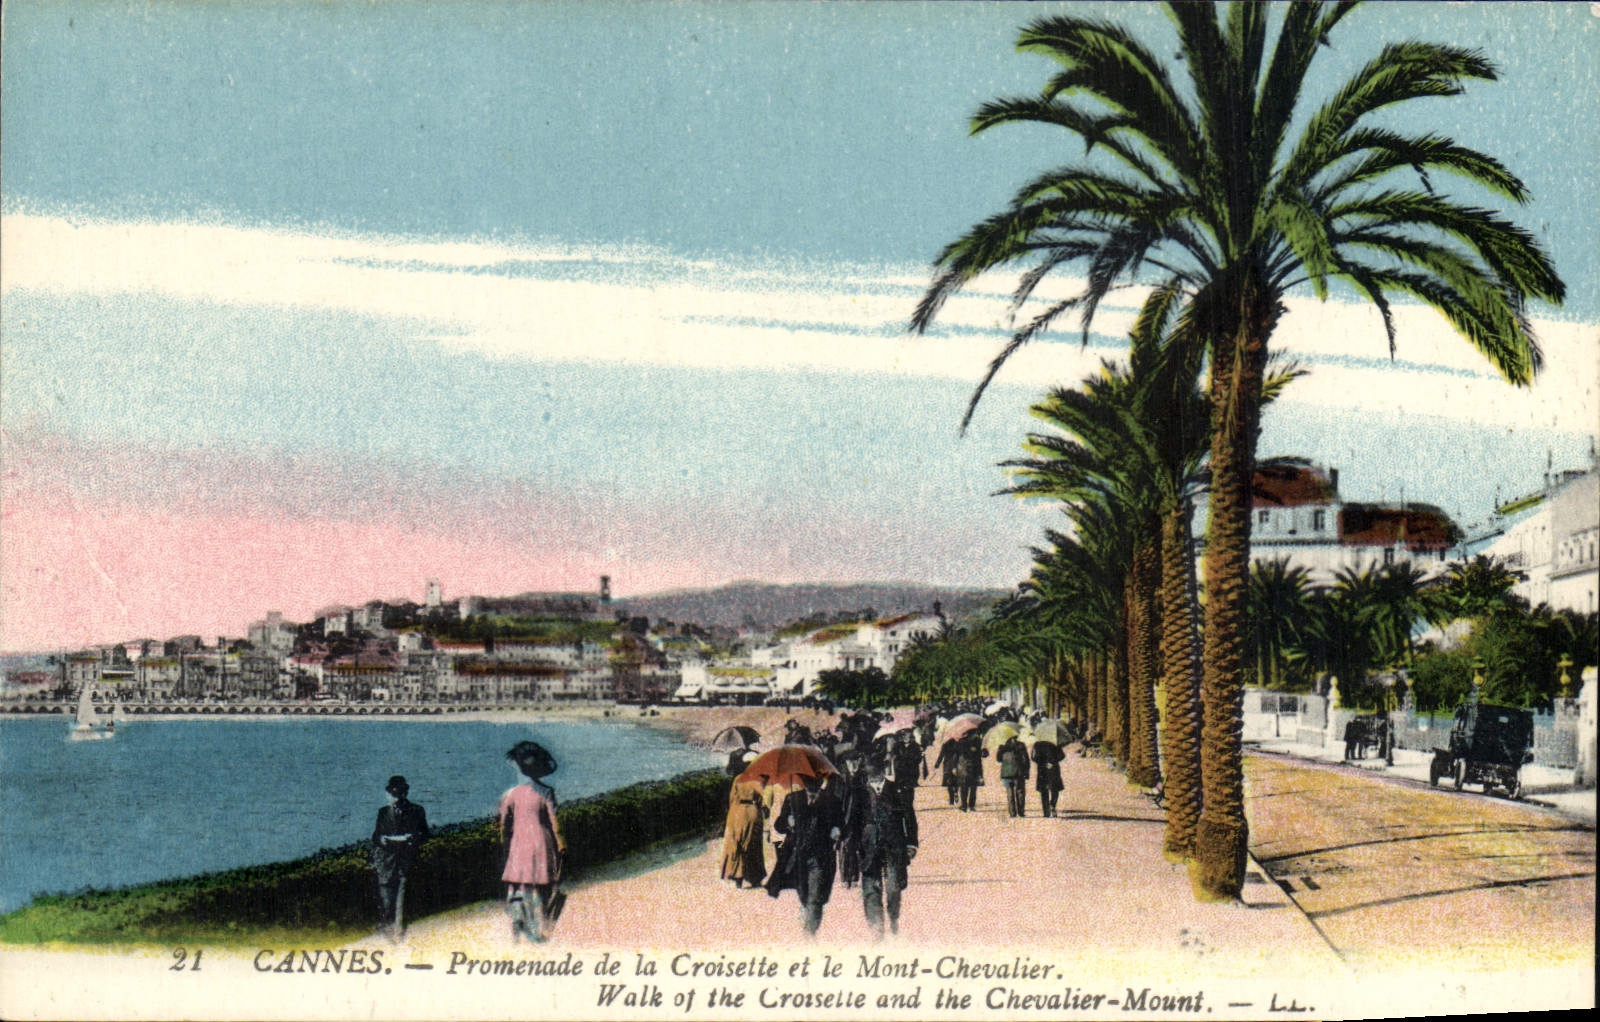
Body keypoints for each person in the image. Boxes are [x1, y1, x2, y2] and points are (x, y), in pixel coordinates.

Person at [500, 740, 566, 942]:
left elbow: (504, 826)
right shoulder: (546, 792)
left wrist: (506, 847)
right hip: (541, 843)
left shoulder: (510, 794)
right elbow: (555, 824)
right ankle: (539, 929)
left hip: (519, 845)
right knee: (542, 885)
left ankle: (518, 927)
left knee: (519, 885)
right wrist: (562, 845)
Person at [766, 773, 845, 936]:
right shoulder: (792, 799)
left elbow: (842, 825)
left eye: (815, 789)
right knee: (803, 892)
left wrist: (838, 830)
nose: (812, 794)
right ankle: (807, 911)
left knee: (816, 896)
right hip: (798, 856)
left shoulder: (832, 801)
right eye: (809, 789)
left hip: (821, 856)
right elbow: (778, 825)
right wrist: (788, 821)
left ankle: (810, 932)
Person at [846, 763, 918, 938]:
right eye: (870, 777)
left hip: (894, 844)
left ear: (882, 774)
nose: (873, 780)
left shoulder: (897, 790)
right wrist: (853, 845)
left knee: (894, 886)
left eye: (876, 776)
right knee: (871, 886)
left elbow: (909, 817)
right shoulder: (859, 793)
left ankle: (893, 917)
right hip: (869, 845)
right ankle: (876, 925)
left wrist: (911, 843)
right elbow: (853, 821)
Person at [371, 775, 429, 940]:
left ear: (404, 794)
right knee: (387, 901)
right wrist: (381, 839)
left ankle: (399, 933)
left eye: (397, 794)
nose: (393, 798)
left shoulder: (416, 811)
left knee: (401, 901)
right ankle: (388, 931)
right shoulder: (383, 812)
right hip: (386, 864)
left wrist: (411, 838)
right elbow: (376, 836)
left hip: (406, 861)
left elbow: (424, 834)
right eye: (392, 794)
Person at [720, 774, 768, 888]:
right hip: (753, 811)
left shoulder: (738, 778)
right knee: (754, 844)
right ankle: (755, 877)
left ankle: (738, 876)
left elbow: (732, 798)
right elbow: (763, 799)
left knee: (736, 843)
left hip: (738, 811)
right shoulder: (758, 779)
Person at [997, 734, 1030, 817]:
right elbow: (1025, 759)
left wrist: (1000, 750)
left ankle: (1012, 813)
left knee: (1010, 792)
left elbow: (999, 759)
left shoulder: (1003, 746)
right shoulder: (1021, 745)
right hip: (1019, 771)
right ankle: (1021, 812)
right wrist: (1026, 772)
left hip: (1006, 772)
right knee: (1020, 791)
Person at [1031, 739, 1065, 818]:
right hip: (1053, 768)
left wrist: (1042, 762)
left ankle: (1046, 812)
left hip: (1042, 769)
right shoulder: (1055, 743)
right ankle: (1052, 804)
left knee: (1043, 790)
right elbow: (1062, 756)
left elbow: (1033, 757)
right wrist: (1052, 761)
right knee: (1054, 789)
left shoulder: (1037, 744)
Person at [955, 732, 985, 812]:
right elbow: (980, 756)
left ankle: (964, 805)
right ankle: (971, 805)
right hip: (975, 766)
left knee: (964, 787)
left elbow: (956, 755)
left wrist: (954, 767)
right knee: (973, 787)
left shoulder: (960, 742)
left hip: (963, 767)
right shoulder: (977, 741)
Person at [932, 735, 961, 806]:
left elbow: (941, 755)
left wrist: (937, 765)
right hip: (956, 765)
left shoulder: (945, 745)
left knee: (949, 783)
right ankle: (956, 792)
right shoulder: (958, 744)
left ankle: (951, 799)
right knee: (956, 781)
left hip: (947, 766)